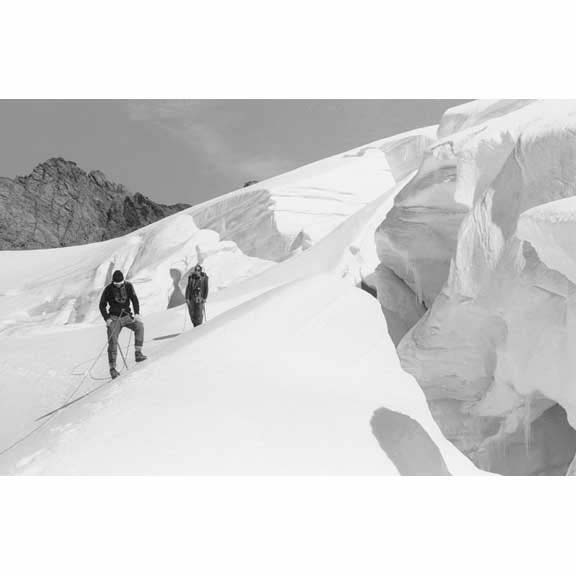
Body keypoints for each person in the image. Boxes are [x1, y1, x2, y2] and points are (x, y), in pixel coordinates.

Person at [99, 270, 147, 379]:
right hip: (114, 319)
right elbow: (102, 305)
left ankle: (138, 353)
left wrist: (137, 313)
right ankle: (113, 368)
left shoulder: (129, 286)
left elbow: (134, 299)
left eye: (120, 283)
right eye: (116, 283)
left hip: (126, 316)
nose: (118, 285)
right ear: (113, 282)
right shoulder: (108, 289)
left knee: (139, 326)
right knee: (113, 341)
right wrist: (107, 319)